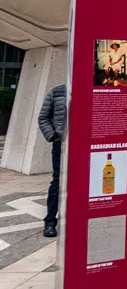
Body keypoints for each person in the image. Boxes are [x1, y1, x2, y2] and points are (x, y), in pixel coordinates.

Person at [37, 84, 66, 238]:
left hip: (83, 146)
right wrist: (53, 136)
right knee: (58, 181)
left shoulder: (89, 90)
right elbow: (43, 117)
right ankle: (50, 222)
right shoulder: (57, 91)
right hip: (60, 145)